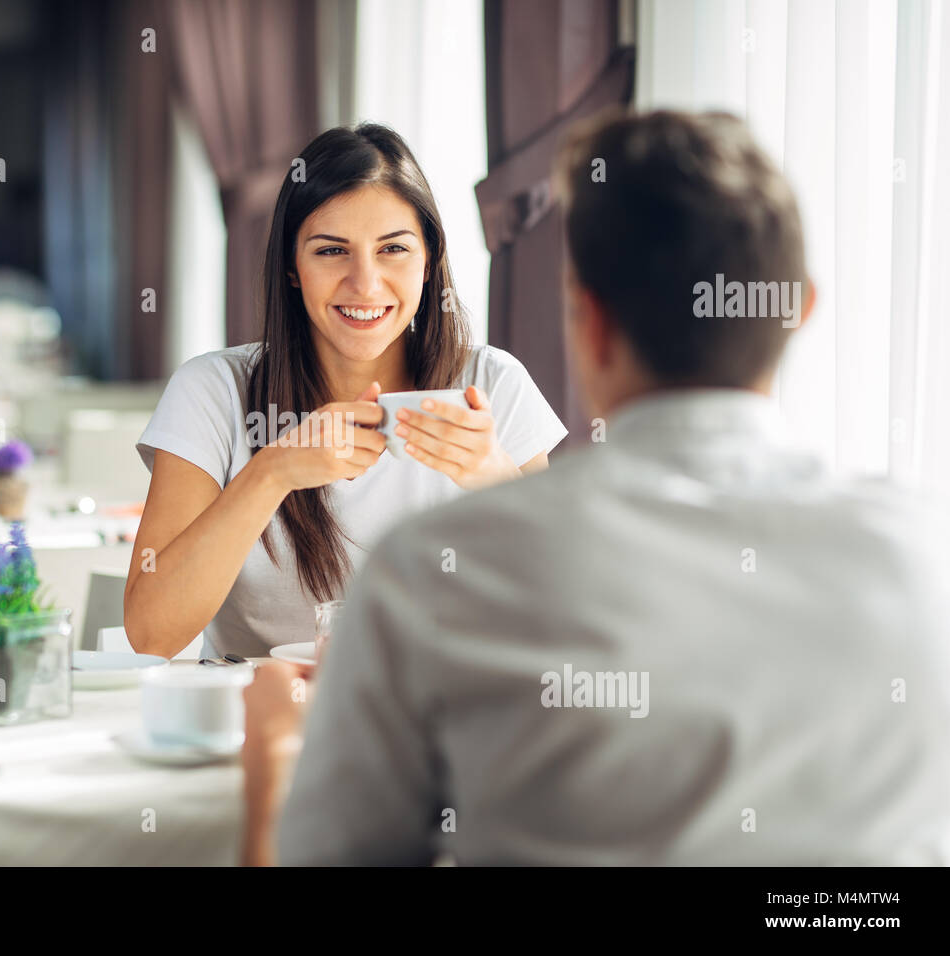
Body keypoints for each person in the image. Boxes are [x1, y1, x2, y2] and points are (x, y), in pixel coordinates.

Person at [241, 109, 950, 866]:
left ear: (587, 320)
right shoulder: (924, 554)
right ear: (801, 309)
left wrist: (265, 786)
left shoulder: (433, 570)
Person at [126, 123, 567, 659]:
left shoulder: (492, 384)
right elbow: (152, 634)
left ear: (429, 261)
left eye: (393, 250)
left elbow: (563, 613)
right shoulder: (213, 391)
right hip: (262, 723)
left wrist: (497, 481)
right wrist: (273, 471)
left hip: (435, 720)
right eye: (332, 251)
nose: (365, 283)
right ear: (292, 268)